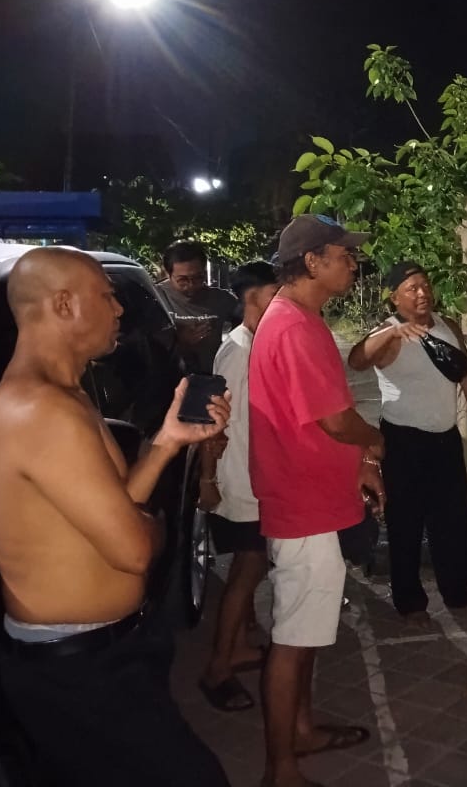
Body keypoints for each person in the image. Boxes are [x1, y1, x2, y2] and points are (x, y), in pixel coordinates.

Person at [0, 246, 232, 787]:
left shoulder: (61, 396)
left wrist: (167, 441)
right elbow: (133, 547)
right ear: (64, 304)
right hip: (78, 670)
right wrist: (157, 528)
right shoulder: (40, 409)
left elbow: (112, 500)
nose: (120, 310)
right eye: (107, 295)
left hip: (94, 654)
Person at [248, 215, 387, 787]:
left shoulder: (295, 319)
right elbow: (334, 418)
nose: (352, 263)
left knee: (302, 636)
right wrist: (374, 441)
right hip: (304, 507)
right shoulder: (295, 327)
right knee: (291, 640)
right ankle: (282, 768)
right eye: (342, 254)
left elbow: (317, 419)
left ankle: (300, 731)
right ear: (311, 261)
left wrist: (360, 461)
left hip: (313, 500)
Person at [348, 261, 467, 625]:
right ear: (394, 296)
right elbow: (356, 360)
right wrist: (393, 334)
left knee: (454, 522)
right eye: (412, 287)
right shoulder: (388, 333)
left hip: (445, 439)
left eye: (425, 285)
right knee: (405, 525)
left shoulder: (447, 326)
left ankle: (459, 595)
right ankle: (410, 602)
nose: (422, 293)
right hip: (403, 441)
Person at [196, 261, 280, 712]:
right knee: (247, 569)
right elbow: (215, 425)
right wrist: (208, 480)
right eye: (274, 295)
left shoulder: (253, 346)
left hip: (252, 478)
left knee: (250, 570)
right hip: (240, 481)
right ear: (251, 299)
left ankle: (242, 645)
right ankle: (217, 668)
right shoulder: (238, 353)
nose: (281, 304)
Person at [154, 240, 238, 374]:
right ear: (168, 275)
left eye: (198, 277)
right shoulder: (155, 297)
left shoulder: (222, 299)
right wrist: (179, 340)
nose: (191, 285)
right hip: (170, 381)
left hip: (212, 378)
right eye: (182, 280)